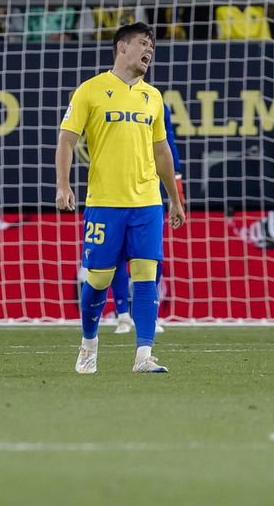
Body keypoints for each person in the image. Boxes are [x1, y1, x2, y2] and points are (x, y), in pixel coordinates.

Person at [56, 22, 186, 375]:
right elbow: (66, 139)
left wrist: (173, 199)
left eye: (151, 47)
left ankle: (144, 355)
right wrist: (63, 185)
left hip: (147, 201)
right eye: (143, 43)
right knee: (98, 278)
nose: (148, 51)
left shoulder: (153, 97)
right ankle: (88, 344)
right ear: (122, 47)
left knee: (145, 274)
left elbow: (162, 151)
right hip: (105, 201)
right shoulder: (90, 90)